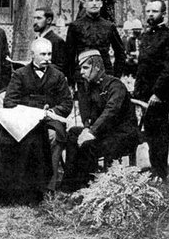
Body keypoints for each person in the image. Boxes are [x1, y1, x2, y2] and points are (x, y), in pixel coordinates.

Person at [60, 50, 139, 192]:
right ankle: (69, 185)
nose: (81, 72)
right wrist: (86, 127)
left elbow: (110, 112)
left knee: (88, 144)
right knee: (73, 133)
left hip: (123, 134)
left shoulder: (116, 86)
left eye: (85, 68)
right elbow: (90, 113)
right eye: (81, 68)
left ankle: (88, 187)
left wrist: (91, 132)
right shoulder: (91, 86)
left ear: (97, 67)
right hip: (104, 132)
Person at [3, 38, 73, 191]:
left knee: (54, 137)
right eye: (43, 54)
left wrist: (52, 111)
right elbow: (9, 102)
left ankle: (49, 187)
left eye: (49, 54)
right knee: (25, 139)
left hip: (50, 121)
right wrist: (32, 110)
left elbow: (67, 102)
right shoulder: (20, 74)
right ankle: (24, 187)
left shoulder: (58, 76)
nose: (47, 58)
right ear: (32, 55)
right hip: (26, 122)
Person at [133, 0, 169, 184]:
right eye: (148, 11)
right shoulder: (145, 36)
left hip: (160, 94)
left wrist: (158, 93)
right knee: (150, 132)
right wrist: (138, 93)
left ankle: (160, 172)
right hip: (144, 93)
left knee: (160, 133)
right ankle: (154, 169)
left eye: (155, 11)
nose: (150, 14)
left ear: (163, 14)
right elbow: (142, 67)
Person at [65, 0, 126, 104]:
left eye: (97, 0)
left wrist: (115, 77)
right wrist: (71, 82)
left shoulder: (109, 26)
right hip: (83, 78)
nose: (94, 3)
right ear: (84, 3)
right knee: (86, 112)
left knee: (106, 111)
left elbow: (120, 53)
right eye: (90, 0)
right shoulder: (75, 26)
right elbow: (69, 56)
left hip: (105, 78)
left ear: (101, 3)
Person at [33, 7, 67, 73]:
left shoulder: (57, 41)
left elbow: (61, 67)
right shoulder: (37, 39)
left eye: (39, 18)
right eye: (34, 18)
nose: (35, 21)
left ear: (48, 20)